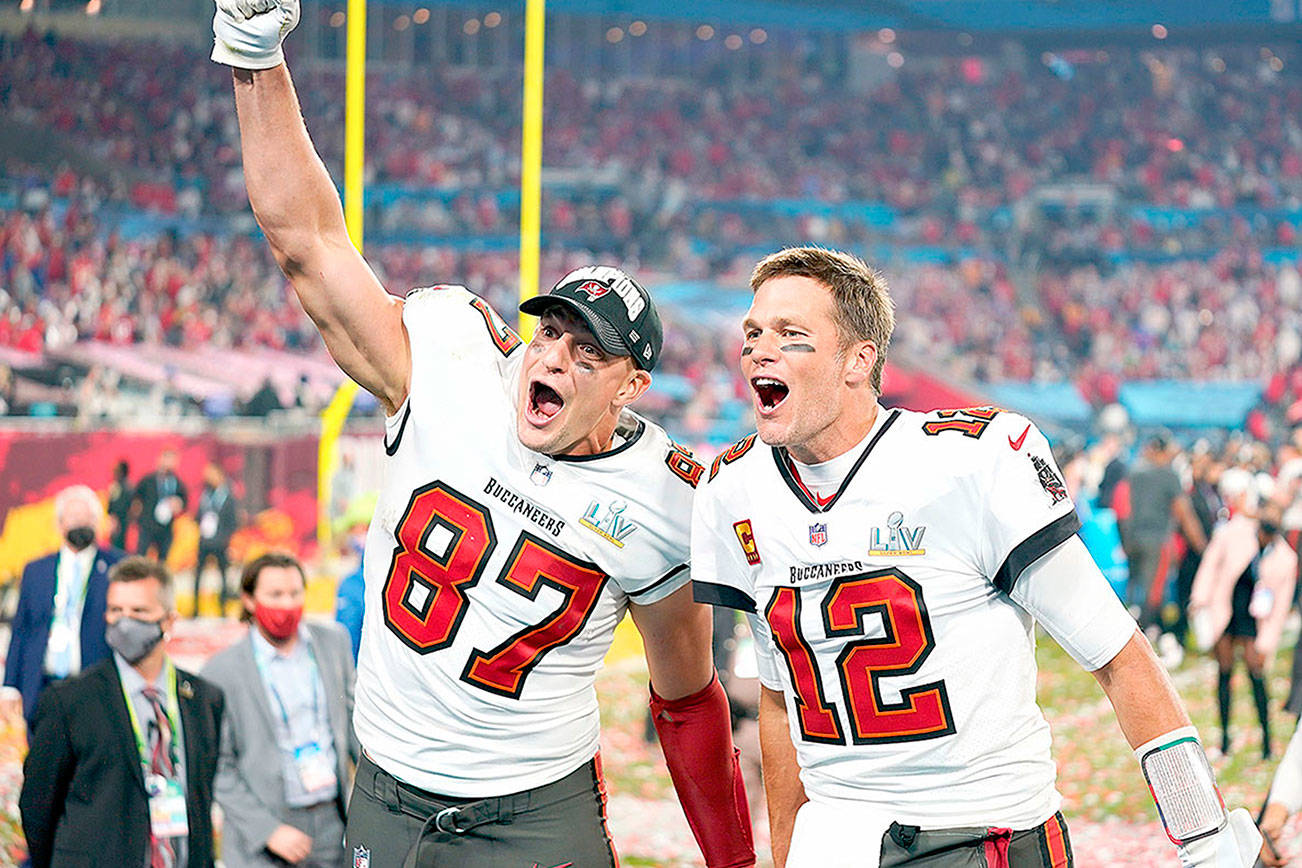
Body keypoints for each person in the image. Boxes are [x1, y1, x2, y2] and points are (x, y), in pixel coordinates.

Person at [210, 6, 753, 868]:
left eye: (589, 353)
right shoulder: (452, 361)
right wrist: (254, 54)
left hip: (537, 809)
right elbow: (308, 244)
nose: (555, 360)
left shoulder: (660, 494)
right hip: (387, 788)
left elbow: (686, 698)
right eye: (550, 335)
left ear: (631, 385)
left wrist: (735, 861)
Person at [690, 246, 1259, 867]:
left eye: (790, 334)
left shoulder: (972, 462)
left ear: (859, 360)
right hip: (835, 839)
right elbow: (780, 699)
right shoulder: (734, 488)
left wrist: (1206, 841)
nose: (758, 350)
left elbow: (1119, 657)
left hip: (980, 833)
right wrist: (787, 852)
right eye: (753, 332)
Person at [19, 557, 224, 868]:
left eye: (139, 611)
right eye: (116, 610)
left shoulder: (203, 698)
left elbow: (202, 793)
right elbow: (38, 807)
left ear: (169, 621)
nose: (125, 621)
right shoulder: (69, 701)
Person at [202, 552, 357, 867]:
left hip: (332, 822)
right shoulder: (221, 671)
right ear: (248, 599)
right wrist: (267, 830)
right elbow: (219, 766)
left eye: (294, 593)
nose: (286, 604)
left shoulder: (333, 642)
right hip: (264, 834)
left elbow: (354, 725)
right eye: (275, 595)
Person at [2, 484, 123, 728]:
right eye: (74, 517)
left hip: (96, 688)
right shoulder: (36, 570)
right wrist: (10, 687)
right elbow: (21, 630)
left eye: (87, 518)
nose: (81, 523)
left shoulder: (118, 567)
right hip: (43, 686)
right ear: (59, 525)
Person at [1189, 498, 1296, 758]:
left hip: (1254, 619)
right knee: (1224, 672)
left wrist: (1266, 644)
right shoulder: (1234, 534)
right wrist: (1200, 599)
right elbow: (1210, 565)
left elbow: (1280, 608)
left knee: (1255, 673)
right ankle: (1225, 739)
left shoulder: (1285, 558)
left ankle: (1267, 742)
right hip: (1226, 608)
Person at [1122, 432, 1207, 633]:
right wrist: (1202, 547)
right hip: (1156, 538)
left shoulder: (1134, 472)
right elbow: (1184, 512)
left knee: (1136, 588)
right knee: (1154, 592)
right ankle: (1145, 634)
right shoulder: (1168, 475)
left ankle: (1139, 629)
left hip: (1133, 537)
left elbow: (1122, 505)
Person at [194, 462, 239, 617]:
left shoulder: (228, 496)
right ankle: (195, 609)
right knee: (198, 575)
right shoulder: (205, 495)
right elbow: (198, 516)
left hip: (220, 542)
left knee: (223, 576)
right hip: (205, 541)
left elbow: (233, 521)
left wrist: (225, 538)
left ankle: (222, 608)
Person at [134, 448, 188, 562]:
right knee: (140, 557)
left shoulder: (177, 483)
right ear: (160, 459)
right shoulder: (148, 480)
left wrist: (179, 504)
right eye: (168, 458)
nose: (171, 463)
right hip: (148, 525)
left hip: (166, 528)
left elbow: (184, 502)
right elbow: (136, 499)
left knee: (163, 560)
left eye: (173, 460)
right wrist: (137, 518)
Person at [108, 459, 133, 551]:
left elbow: (116, 504)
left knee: (117, 546)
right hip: (123, 520)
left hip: (120, 521)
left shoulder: (120, 486)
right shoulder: (129, 486)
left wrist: (113, 517)